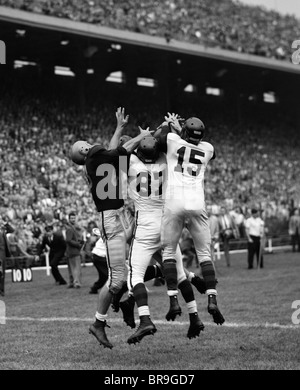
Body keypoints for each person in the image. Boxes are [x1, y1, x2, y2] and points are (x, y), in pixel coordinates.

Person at [69, 107, 152, 349]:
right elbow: (120, 150)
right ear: (84, 150)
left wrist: (119, 128)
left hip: (117, 214)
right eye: (85, 143)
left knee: (130, 268)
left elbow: (112, 151)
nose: (88, 143)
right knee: (117, 279)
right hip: (111, 219)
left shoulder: (95, 158)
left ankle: (124, 305)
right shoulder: (95, 156)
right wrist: (141, 136)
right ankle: (99, 322)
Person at [126, 135, 204, 345]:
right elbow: (169, 146)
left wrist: (140, 136)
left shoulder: (132, 163)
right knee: (179, 274)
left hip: (145, 227)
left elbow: (122, 151)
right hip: (167, 223)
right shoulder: (167, 162)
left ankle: (145, 319)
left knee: (135, 276)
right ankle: (194, 317)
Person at [156, 113, 225, 326]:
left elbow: (160, 139)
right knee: (204, 253)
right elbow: (193, 146)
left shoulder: (172, 140)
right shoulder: (208, 148)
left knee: (168, 253)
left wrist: (171, 125)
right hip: (197, 203)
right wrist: (182, 131)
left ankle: (173, 300)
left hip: (174, 202)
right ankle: (212, 299)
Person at [65, 212, 84, 288]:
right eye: (71, 218)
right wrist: (78, 244)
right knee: (76, 268)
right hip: (74, 251)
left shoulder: (72, 227)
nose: (73, 219)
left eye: (74, 218)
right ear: (69, 219)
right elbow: (68, 240)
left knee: (71, 268)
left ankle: (71, 282)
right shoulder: (69, 229)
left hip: (70, 251)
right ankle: (76, 283)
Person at [0, 221, 12, 296]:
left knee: (2, 274)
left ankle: (2, 290)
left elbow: (12, 230)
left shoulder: (3, 232)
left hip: (3, 256)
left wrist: (6, 223)